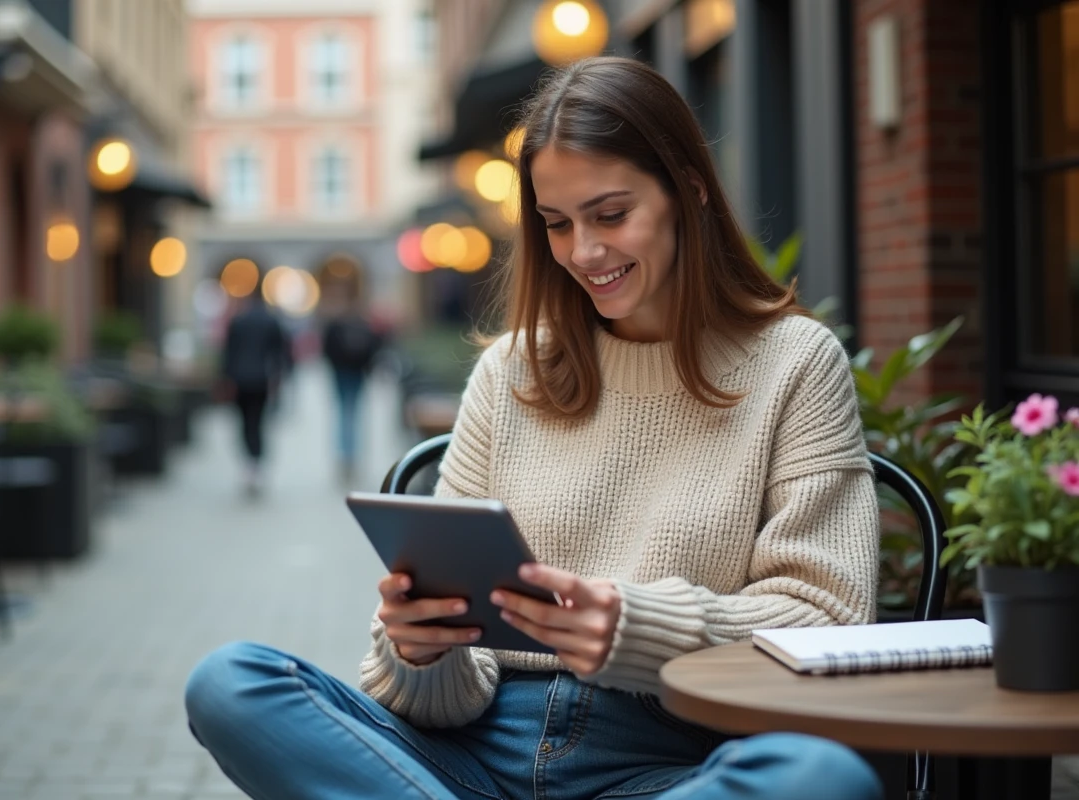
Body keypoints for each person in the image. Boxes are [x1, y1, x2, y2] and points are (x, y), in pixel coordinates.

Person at [186, 57, 883, 800]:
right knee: (230, 683)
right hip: (472, 757)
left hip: (662, 763)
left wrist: (637, 630)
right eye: (557, 224)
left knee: (820, 777)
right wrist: (422, 652)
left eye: (611, 215)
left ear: (691, 189)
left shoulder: (795, 364)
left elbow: (828, 620)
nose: (584, 252)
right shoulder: (511, 371)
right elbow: (442, 691)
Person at [219, 286, 292, 494]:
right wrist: (279, 377)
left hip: (240, 380)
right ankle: (256, 464)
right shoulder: (270, 321)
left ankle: (248, 465)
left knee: (244, 422)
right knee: (258, 422)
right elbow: (281, 352)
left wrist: (225, 378)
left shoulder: (238, 321)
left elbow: (227, 353)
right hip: (261, 379)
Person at [321, 305, 384, 484]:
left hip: (340, 374)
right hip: (358, 373)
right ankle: (352, 455)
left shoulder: (335, 325)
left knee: (343, 412)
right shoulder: (363, 325)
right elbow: (375, 347)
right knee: (354, 412)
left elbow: (326, 350)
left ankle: (345, 455)